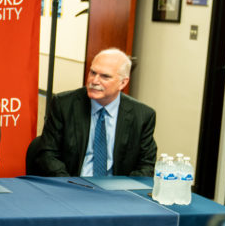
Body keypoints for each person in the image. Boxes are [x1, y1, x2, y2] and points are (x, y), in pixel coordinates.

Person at [36, 48, 157, 177]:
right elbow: (47, 154)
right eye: (93, 73)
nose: (94, 81)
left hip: (116, 192)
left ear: (123, 82)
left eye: (105, 76)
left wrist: (123, 191)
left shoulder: (142, 115)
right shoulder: (64, 105)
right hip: (72, 185)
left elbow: (146, 165)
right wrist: (70, 185)